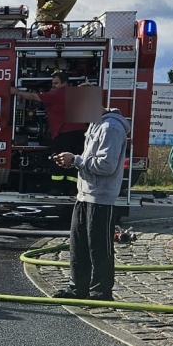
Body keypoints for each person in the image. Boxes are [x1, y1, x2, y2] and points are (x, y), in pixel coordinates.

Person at [51, 106, 131, 301]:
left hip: (101, 198)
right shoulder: (96, 124)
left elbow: (107, 165)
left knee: (99, 248)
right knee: (79, 245)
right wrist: (74, 161)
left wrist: (76, 160)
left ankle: (101, 292)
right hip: (84, 195)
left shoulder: (111, 127)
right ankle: (78, 288)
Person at [10, 72, 87, 194]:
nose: (53, 86)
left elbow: (34, 97)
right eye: (52, 83)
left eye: (56, 83)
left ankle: (56, 189)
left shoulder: (56, 94)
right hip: (81, 134)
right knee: (76, 161)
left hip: (63, 134)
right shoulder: (79, 94)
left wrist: (17, 92)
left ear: (65, 83)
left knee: (59, 161)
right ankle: (73, 189)